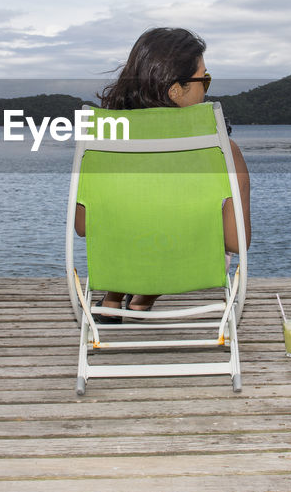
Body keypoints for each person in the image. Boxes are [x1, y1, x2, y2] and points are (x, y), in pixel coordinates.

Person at [74, 27, 252, 320]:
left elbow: (84, 227)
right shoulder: (224, 152)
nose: (206, 87)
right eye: (203, 79)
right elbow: (235, 242)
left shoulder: (100, 146)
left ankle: (120, 296)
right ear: (176, 90)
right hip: (187, 263)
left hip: (121, 259)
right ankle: (141, 299)